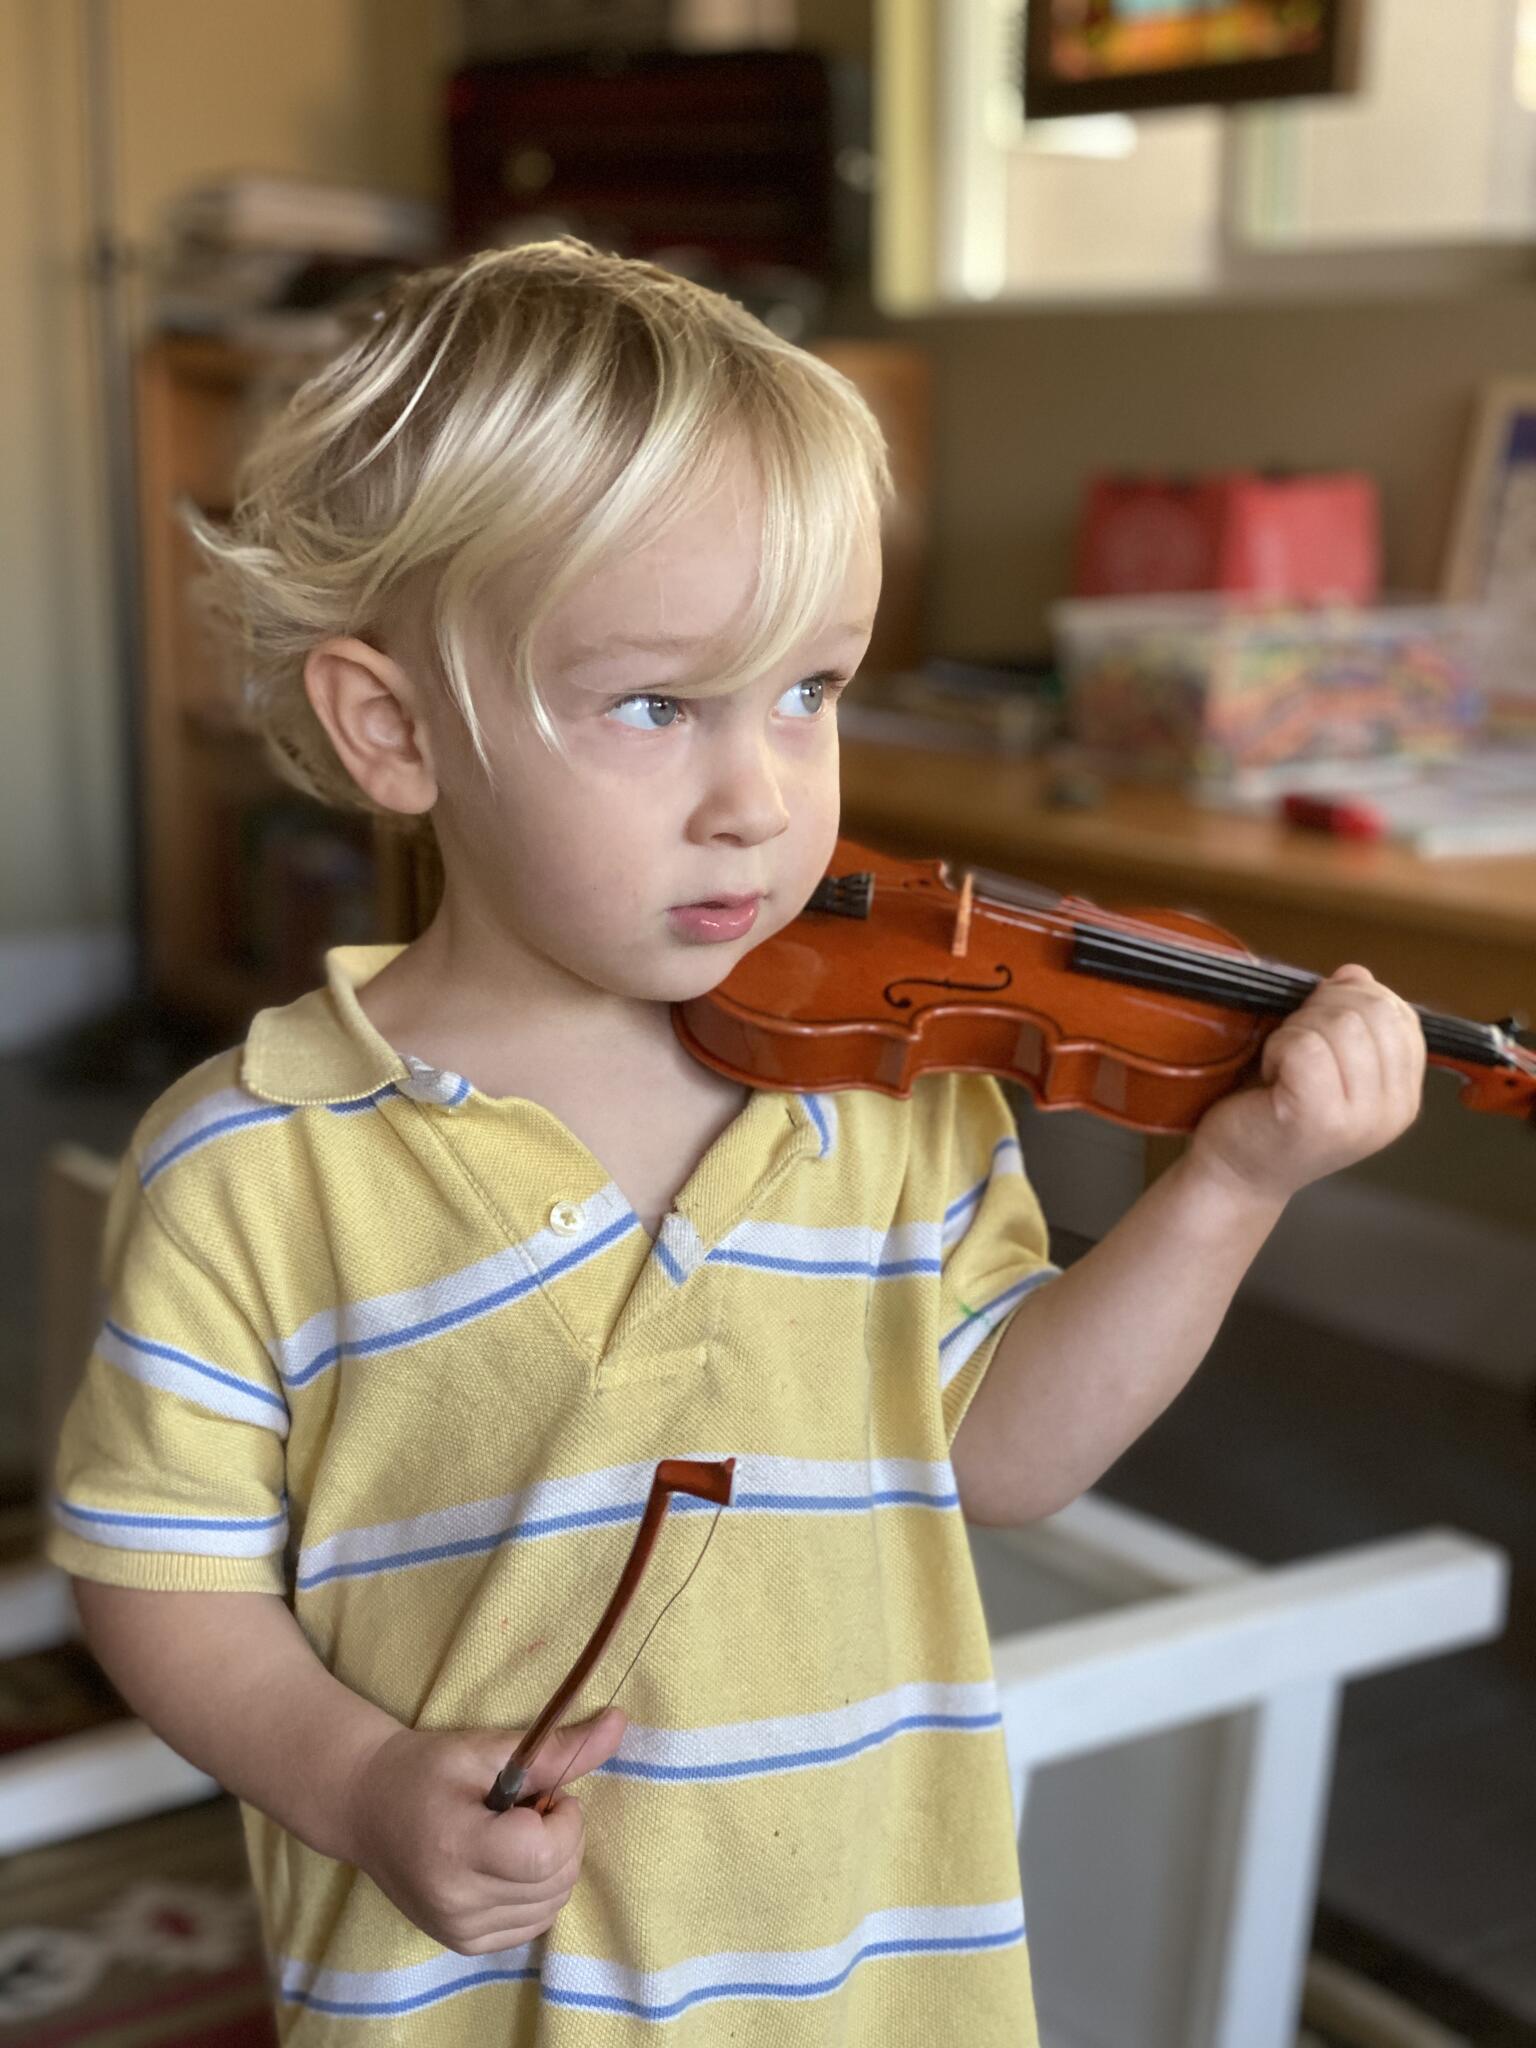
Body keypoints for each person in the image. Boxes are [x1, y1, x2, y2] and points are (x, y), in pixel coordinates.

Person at [49, 240, 1426, 2047]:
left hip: (877, 1993)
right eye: (656, 705)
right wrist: (358, 1782)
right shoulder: (253, 1164)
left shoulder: (892, 1095)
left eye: (811, 689)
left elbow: (1007, 1457)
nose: (759, 799)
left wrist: (1231, 1187)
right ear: (394, 730)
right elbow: (157, 1573)